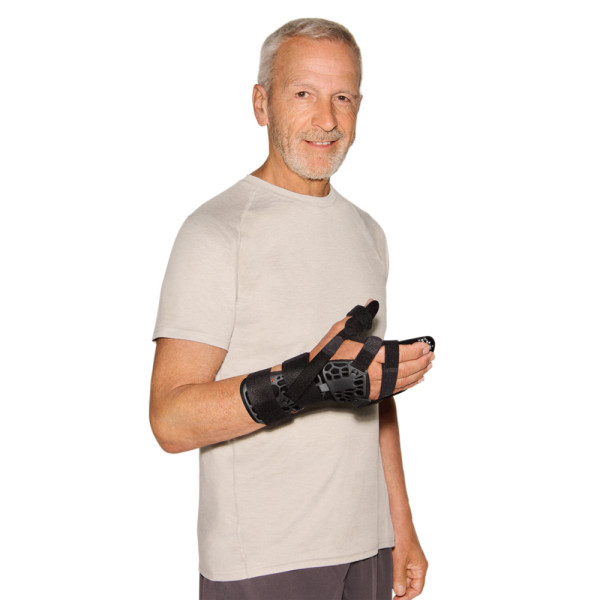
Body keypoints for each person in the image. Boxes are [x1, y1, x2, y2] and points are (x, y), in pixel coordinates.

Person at [150, 18, 434, 600]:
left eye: (342, 97)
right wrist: (305, 382)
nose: (326, 119)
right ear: (262, 104)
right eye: (303, 93)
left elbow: (373, 391)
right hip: (266, 557)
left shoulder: (368, 232)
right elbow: (170, 422)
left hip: (368, 545)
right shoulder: (217, 232)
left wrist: (401, 526)